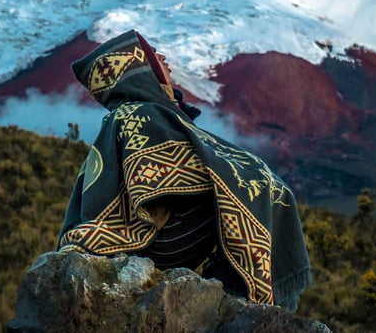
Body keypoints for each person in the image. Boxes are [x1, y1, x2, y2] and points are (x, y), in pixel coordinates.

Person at [57, 29, 310, 310]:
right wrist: (251, 177)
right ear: (138, 68)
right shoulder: (141, 113)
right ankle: (241, 289)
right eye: (153, 54)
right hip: (155, 239)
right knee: (251, 191)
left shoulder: (132, 112)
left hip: (148, 235)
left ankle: (233, 284)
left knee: (245, 188)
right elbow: (170, 175)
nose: (163, 57)